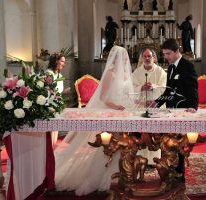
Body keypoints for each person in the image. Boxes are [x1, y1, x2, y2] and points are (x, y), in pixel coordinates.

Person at [54, 45, 135, 196]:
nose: (125, 61)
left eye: (126, 58)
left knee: (121, 143)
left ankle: (120, 173)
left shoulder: (123, 75)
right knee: (111, 145)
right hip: (112, 112)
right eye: (123, 58)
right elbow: (103, 97)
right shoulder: (110, 74)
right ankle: (106, 176)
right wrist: (116, 106)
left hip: (122, 112)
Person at [152, 38, 198, 181]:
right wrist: (156, 103)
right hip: (171, 110)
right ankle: (168, 170)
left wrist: (193, 106)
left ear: (177, 51)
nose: (166, 57)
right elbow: (168, 91)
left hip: (183, 109)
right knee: (168, 142)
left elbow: (193, 87)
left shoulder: (187, 66)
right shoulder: (171, 67)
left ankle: (180, 175)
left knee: (178, 144)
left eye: (168, 54)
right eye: (164, 54)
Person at [132, 48, 167, 165]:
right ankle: (141, 157)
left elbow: (165, 88)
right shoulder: (137, 72)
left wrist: (154, 87)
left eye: (149, 56)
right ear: (142, 58)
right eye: (145, 56)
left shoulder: (160, 71)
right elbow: (131, 88)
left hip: (156, 106)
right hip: (141, 106)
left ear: (154, 58)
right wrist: (141, 88)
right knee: (141, 133)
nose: (147, 58)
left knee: (155, 133)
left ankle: (154, 159)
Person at [46, 53, 70, 146]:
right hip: (49, 103)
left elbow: (58, 90)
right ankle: (50, 147)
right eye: (62, 61)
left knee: (55, 127)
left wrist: (65, 91)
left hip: (57, 102)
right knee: (52, 127)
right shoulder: (48, 73)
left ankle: (53, 146)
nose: (64, 64)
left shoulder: (59, 75)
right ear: (56, 61)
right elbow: (49, 89)